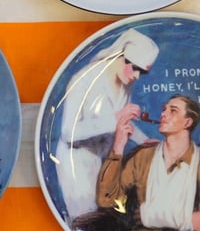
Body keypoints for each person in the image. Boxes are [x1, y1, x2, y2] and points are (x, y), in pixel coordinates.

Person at [94, 94, 200, 231]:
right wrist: (118, 145)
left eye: (173, 111)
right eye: (164, 110)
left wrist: (151, 215)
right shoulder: (144, 157)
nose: (163, 114)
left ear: (187, 122)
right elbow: (106, 200)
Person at [55, 28, 159, 221]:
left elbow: (122, 122)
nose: (137, 76)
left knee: (104, 218)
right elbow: (68, 132)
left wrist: (143, 140)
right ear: (121, 56)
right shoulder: (84, 80)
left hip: (104, 162)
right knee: (85, 221)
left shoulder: (125, 84)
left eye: (142, 72)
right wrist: (116, 117)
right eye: (135, 68)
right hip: (77, 163)